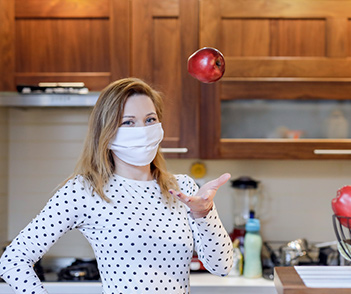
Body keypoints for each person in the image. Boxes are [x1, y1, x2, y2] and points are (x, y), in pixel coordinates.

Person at [0, 77, 233, 293]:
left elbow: (222, 267)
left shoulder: (183, 188)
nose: (142, 131)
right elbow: (12, 261)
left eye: (150, 120)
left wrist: (204, 213)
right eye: (128, 122)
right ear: (107, 132)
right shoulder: (85, 191)